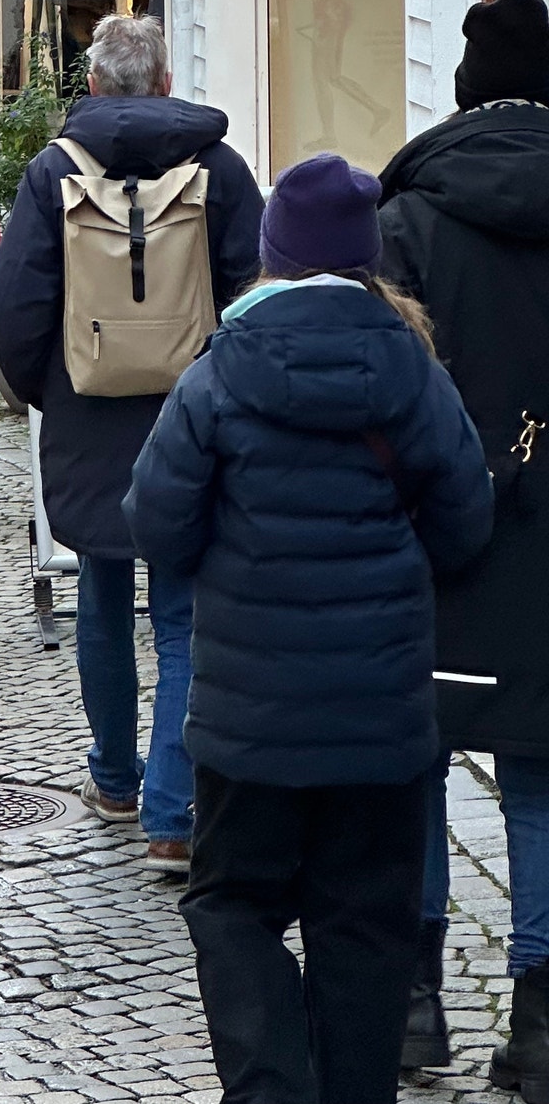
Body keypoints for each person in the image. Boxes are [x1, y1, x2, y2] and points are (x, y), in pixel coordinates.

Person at [126, 153, 493, 1104]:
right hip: (378, 720)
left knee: (235, 904)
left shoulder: (219, 372)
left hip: (251, 725)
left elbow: (156, 521)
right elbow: (465, 523)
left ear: (274, 257)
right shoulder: (412, 370)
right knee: (363, 923)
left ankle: (270, 1083)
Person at [0, 13, 263, 872]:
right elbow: (252, 287)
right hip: (196, 409)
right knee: (181, 613)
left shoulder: (53, 170)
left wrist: (50, 391)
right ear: (167, 82)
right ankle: (174, 816)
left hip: (88, 405)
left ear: (93, 85)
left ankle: (112, 775)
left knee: (103, 593)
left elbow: (16, 303)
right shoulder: (218, 167)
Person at [378, 0, 549, 1084]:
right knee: (541, 780)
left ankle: (412, 1007)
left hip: (437, 538)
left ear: (465, 92)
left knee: (416, 769)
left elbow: (385, 395)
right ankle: (539, 1028)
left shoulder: (403, 217)